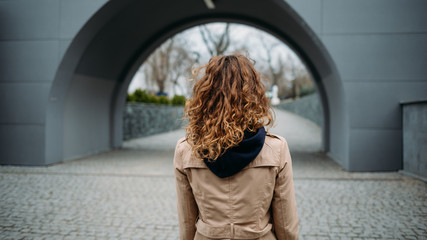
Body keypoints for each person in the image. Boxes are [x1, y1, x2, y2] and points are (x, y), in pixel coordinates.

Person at [174, 54, 299, 240]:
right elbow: (286, 223)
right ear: (254, 94)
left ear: (205, 96)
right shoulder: (276, 148)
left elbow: (186, 222)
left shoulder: (186, 150)